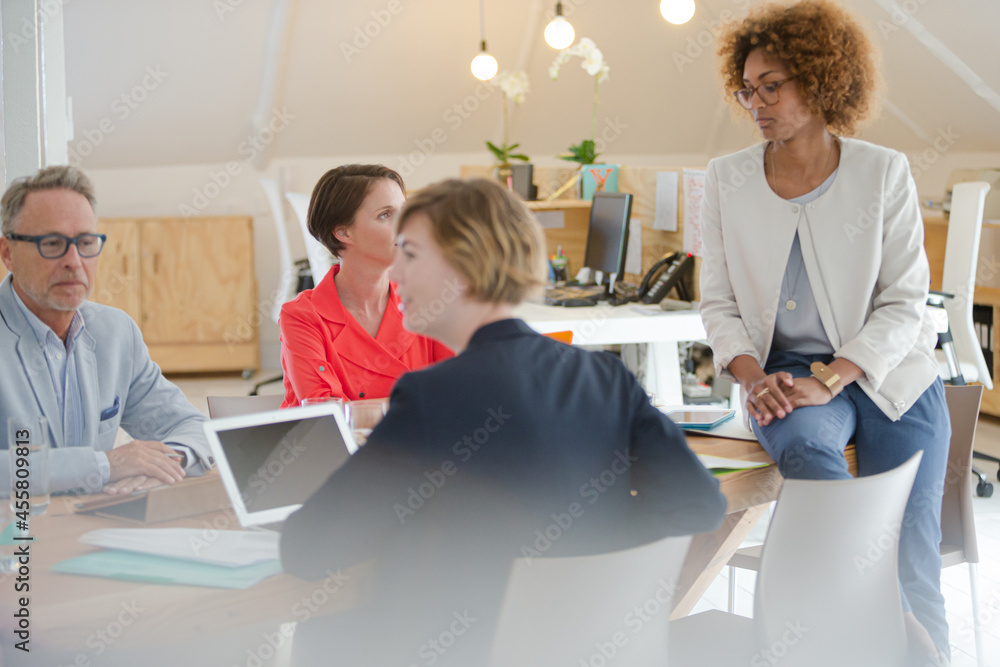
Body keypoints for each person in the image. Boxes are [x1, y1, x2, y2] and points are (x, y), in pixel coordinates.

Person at [280, 178, 727, 665]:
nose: (397, 272)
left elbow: (307, 548)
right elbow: (700, 504)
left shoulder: (431, 398)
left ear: (460, 266)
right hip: (581, 649)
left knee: (324, 629)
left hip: (463, 649)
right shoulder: (606, 377)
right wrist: (589, 533)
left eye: (410, 253)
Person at [701, 2, 950, 664]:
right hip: (781, 375)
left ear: (820, 80)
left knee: (914, 553)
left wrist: (835, 375)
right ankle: (876, 617)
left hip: (889, 372)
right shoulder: (726, 179)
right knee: (812, 463)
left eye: (772, 84)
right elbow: (719, 303)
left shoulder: (882, 170)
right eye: (747, 87)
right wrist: (755, 378)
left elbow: (906, 301)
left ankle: (911, 635)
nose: (756, 101)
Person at [0, 165, 211, 496]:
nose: (74, 260)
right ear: (7, 252)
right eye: (53, 243)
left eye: (85, 242)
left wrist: (166, 462)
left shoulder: (115, 332)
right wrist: (107, 465)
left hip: (91, 523)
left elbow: (191, 426)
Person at [278, 164, 452, 407]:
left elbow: (456, 389)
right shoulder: (301, 317)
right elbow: (324, 414)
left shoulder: (429, 301)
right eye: (386, 215)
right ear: (343, 232)